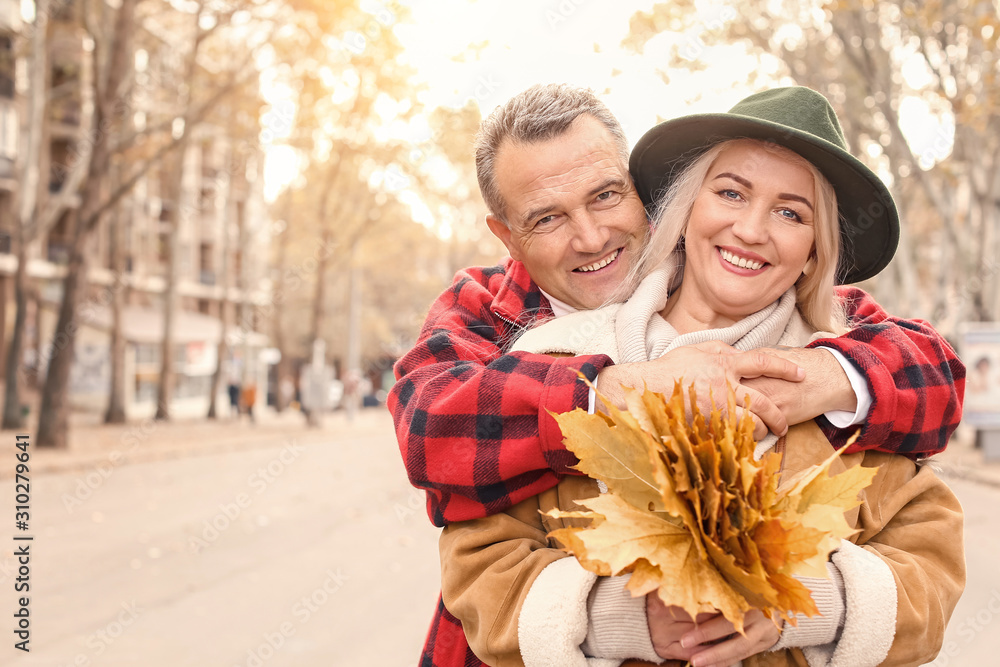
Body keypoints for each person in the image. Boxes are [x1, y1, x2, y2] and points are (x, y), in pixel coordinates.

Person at [389, 84, 965, 666]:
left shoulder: (844, 357)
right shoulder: (520, 340)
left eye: (606, 196)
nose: (590, 237)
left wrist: (803, 600)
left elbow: (930, 532)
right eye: (547, 218)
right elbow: (431, 436)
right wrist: (617, 394)